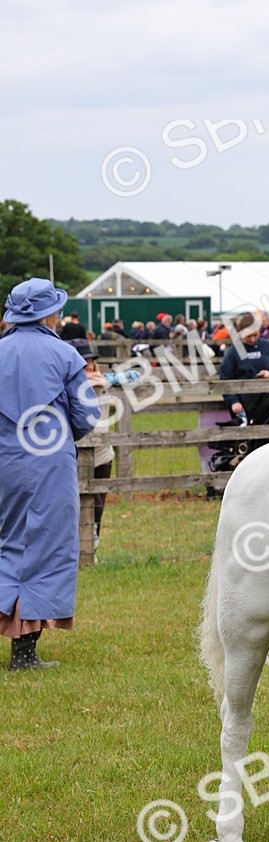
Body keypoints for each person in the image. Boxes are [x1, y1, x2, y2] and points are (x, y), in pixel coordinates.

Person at [0, 279, 100, 670]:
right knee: (48, 546)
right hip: (50, 463)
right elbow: (86, 415)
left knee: (7, 541)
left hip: (5, 462)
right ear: (49, 314)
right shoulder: (65, 355)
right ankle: (24, 653)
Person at [68, 340, 115, 555]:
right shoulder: (70, 387)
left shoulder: (103, 383)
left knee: (98, 506)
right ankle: (77, 549)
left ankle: (92, 547)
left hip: (103, 454)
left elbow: (132, 376)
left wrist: (98, 379)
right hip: (78, 455)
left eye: (91, 363)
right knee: (75, 505)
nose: (89, 367)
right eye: (84, 364)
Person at [219, 312, 269, 425]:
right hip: (244, 404)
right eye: (248, 336)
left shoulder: (267, 346)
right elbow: (225, 378)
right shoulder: (236, 350)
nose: (252, 339)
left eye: (255, 335)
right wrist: (234, 401)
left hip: (267, 401)